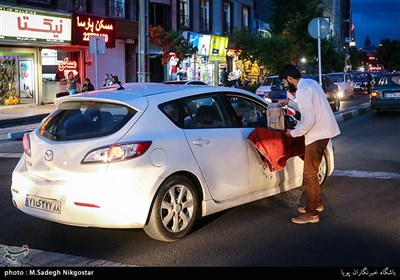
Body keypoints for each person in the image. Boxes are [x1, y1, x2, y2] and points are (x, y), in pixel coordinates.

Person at [277, 64, 341, 224]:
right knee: (312, 172)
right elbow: (307, 108)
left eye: (285, 82)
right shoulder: (310, 83)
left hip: (316, 135)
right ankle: (317, 204)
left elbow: (308, 120)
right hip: (324, 131)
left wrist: (292, 133)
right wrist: (288, 103)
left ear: (290, 79)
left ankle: (311, 213)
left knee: (310, 174)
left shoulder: (302, 90)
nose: (285, 85)